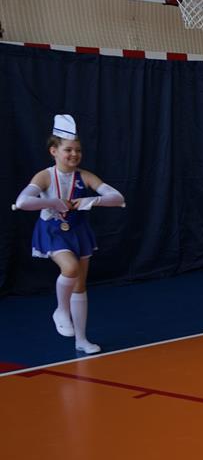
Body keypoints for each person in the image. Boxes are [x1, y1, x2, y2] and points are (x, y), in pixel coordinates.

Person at [13, 114, 125, 354]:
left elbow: (117, 198)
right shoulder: (44, 176)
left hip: (78, 230)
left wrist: (89, 201)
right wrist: (53, 202)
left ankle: (81, 340)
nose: (74, 154)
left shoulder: (84, 176)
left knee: (80, 285)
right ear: (53, 151)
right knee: (70, 268)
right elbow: (22, 202)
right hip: (53, 229)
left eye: (78, 150)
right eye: (68, 150)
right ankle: (61, 310)